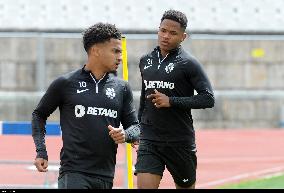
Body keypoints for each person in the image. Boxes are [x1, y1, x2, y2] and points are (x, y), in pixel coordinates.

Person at [31, 22, 140, 189]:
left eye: (121, 52)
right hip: (74, 173)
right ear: (96, 50)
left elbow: (135, 127)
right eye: (115, 51)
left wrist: (125, 134)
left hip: (106, 176)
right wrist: (41, 150)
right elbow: (38, 115)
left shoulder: (122, 87)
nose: (120, 57)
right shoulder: (65, 83)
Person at [134, 10, 215, 189]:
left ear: (183, 36)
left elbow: (208, 99)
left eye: (173, 33)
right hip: (150, 139)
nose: (166, 36)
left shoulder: (188, 63)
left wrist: (171, 101)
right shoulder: (145, 61)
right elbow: (144, 99)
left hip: (179, 141)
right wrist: (138, 127)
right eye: (163, 30)